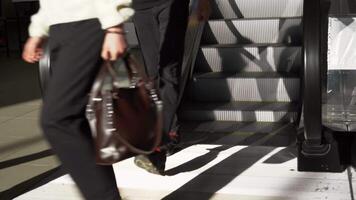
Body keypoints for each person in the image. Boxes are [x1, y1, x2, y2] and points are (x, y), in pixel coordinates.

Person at [22, 1, 134, 199]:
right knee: (75, 121)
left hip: (88, 24)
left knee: (57, 119)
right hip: (62, 28)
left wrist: (114, 26)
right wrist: (38, 30)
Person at [132, 0, 211, 175]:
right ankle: (171, 131)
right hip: (140, 7)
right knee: (152, 75)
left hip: (171, 4)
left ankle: (158, 148)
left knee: (168, 72)